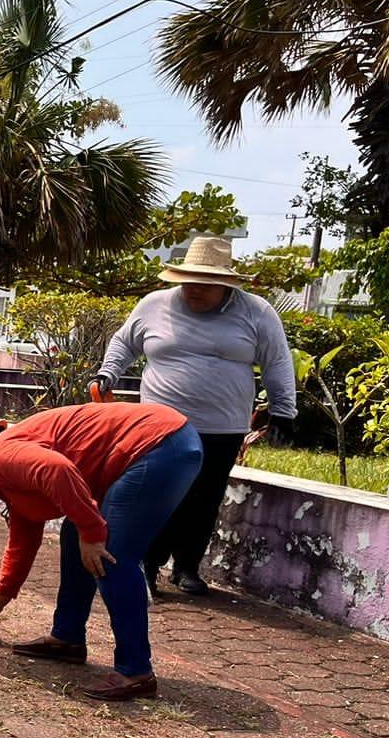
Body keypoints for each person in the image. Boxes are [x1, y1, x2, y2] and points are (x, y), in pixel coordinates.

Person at [0, 402, 203, 701]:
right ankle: (67, 637)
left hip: (159, 445)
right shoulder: (12, 476)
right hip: (165, 440)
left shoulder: (3, 456)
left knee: (110, 555)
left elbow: (58, 470)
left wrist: (92, 532)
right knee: (72, 532)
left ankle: (136, 671)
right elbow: (22, 542)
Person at [92, 236, 296, 596]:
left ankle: (187, 566)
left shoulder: (256, 312)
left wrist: (282, 411)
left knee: (204, 498)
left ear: (225, 284)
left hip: (222, 427)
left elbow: (277, 361)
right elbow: (124, 342)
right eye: (188, 280)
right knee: (159, 495)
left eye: (204, 283)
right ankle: (149, 565)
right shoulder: (154, 305)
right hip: (159, 427)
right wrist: (107, 373)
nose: (194, 289)